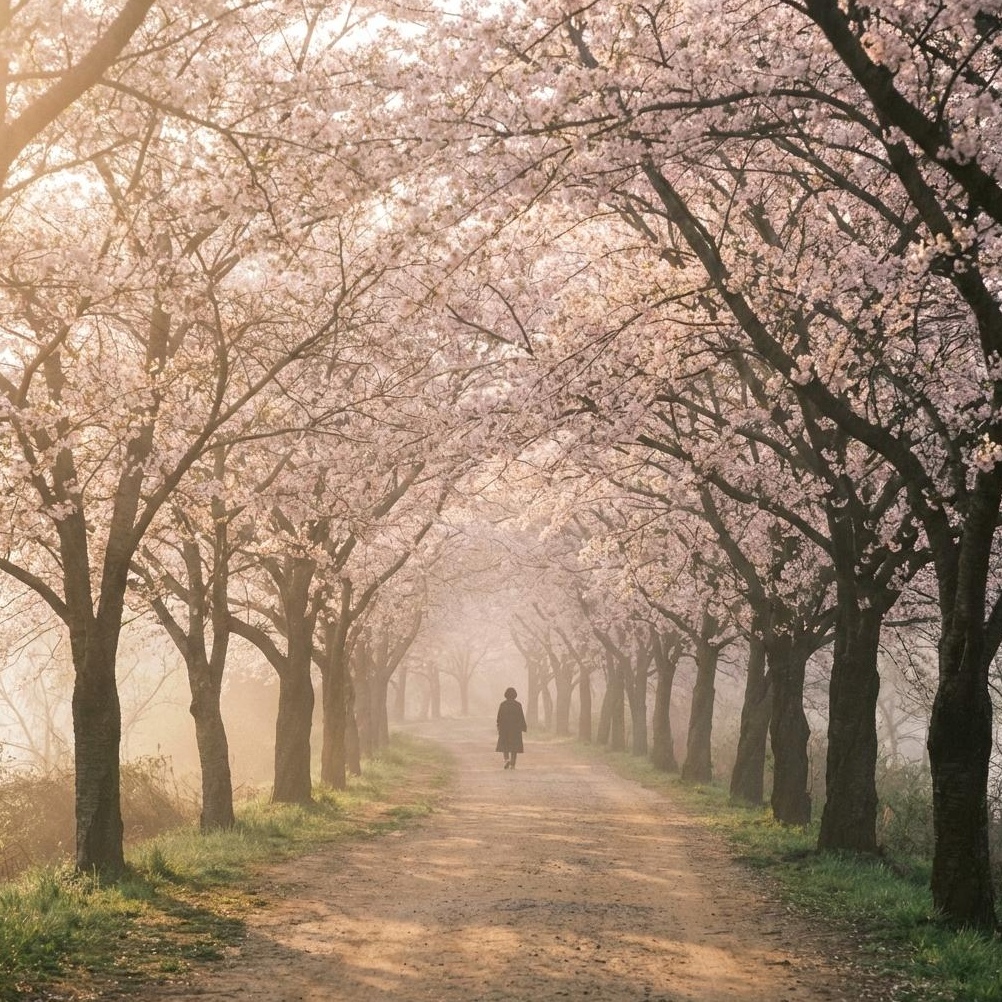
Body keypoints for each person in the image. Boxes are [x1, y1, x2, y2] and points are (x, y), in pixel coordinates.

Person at [496, 686, 527, 769]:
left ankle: (506, 760)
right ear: (515, 695)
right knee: (514, 747)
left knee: (505, 745)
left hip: (505, 728)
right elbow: (521, 717)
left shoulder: (502, 705)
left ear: (506, 695)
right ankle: (513, 764)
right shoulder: (518, 705)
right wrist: (523, 727)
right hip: (515, 729)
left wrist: (499, 726)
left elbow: (499, 717)